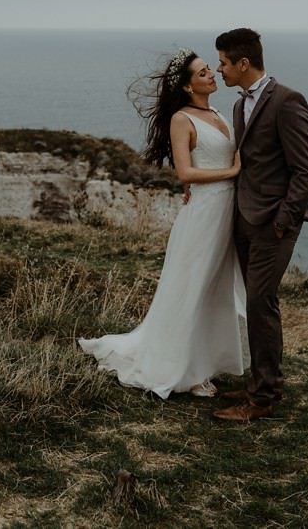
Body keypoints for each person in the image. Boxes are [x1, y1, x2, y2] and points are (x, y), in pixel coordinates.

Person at [78, 48, 246, 399]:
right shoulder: (182, 119)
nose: (212, 74)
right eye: (202, 73)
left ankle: (206, 362)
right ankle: (184, 367)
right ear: (187, 87)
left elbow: (207, 159)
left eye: (209, 70)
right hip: (204, 214)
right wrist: (231, 172)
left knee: (215, 288)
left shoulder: (217, 112)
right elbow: (184, 171)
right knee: (194, 286)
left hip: (224, 211)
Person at [212, 28, 308, 422]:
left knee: (261, 303)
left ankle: (263, 399)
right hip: (245, 220)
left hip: (273, 223)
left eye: (223, 62)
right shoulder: (240, 108)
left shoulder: (288, 101)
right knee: (256, 304)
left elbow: (306, 170)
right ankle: (262, 381)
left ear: (243, 63)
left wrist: (282, 222)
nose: (219, 69)